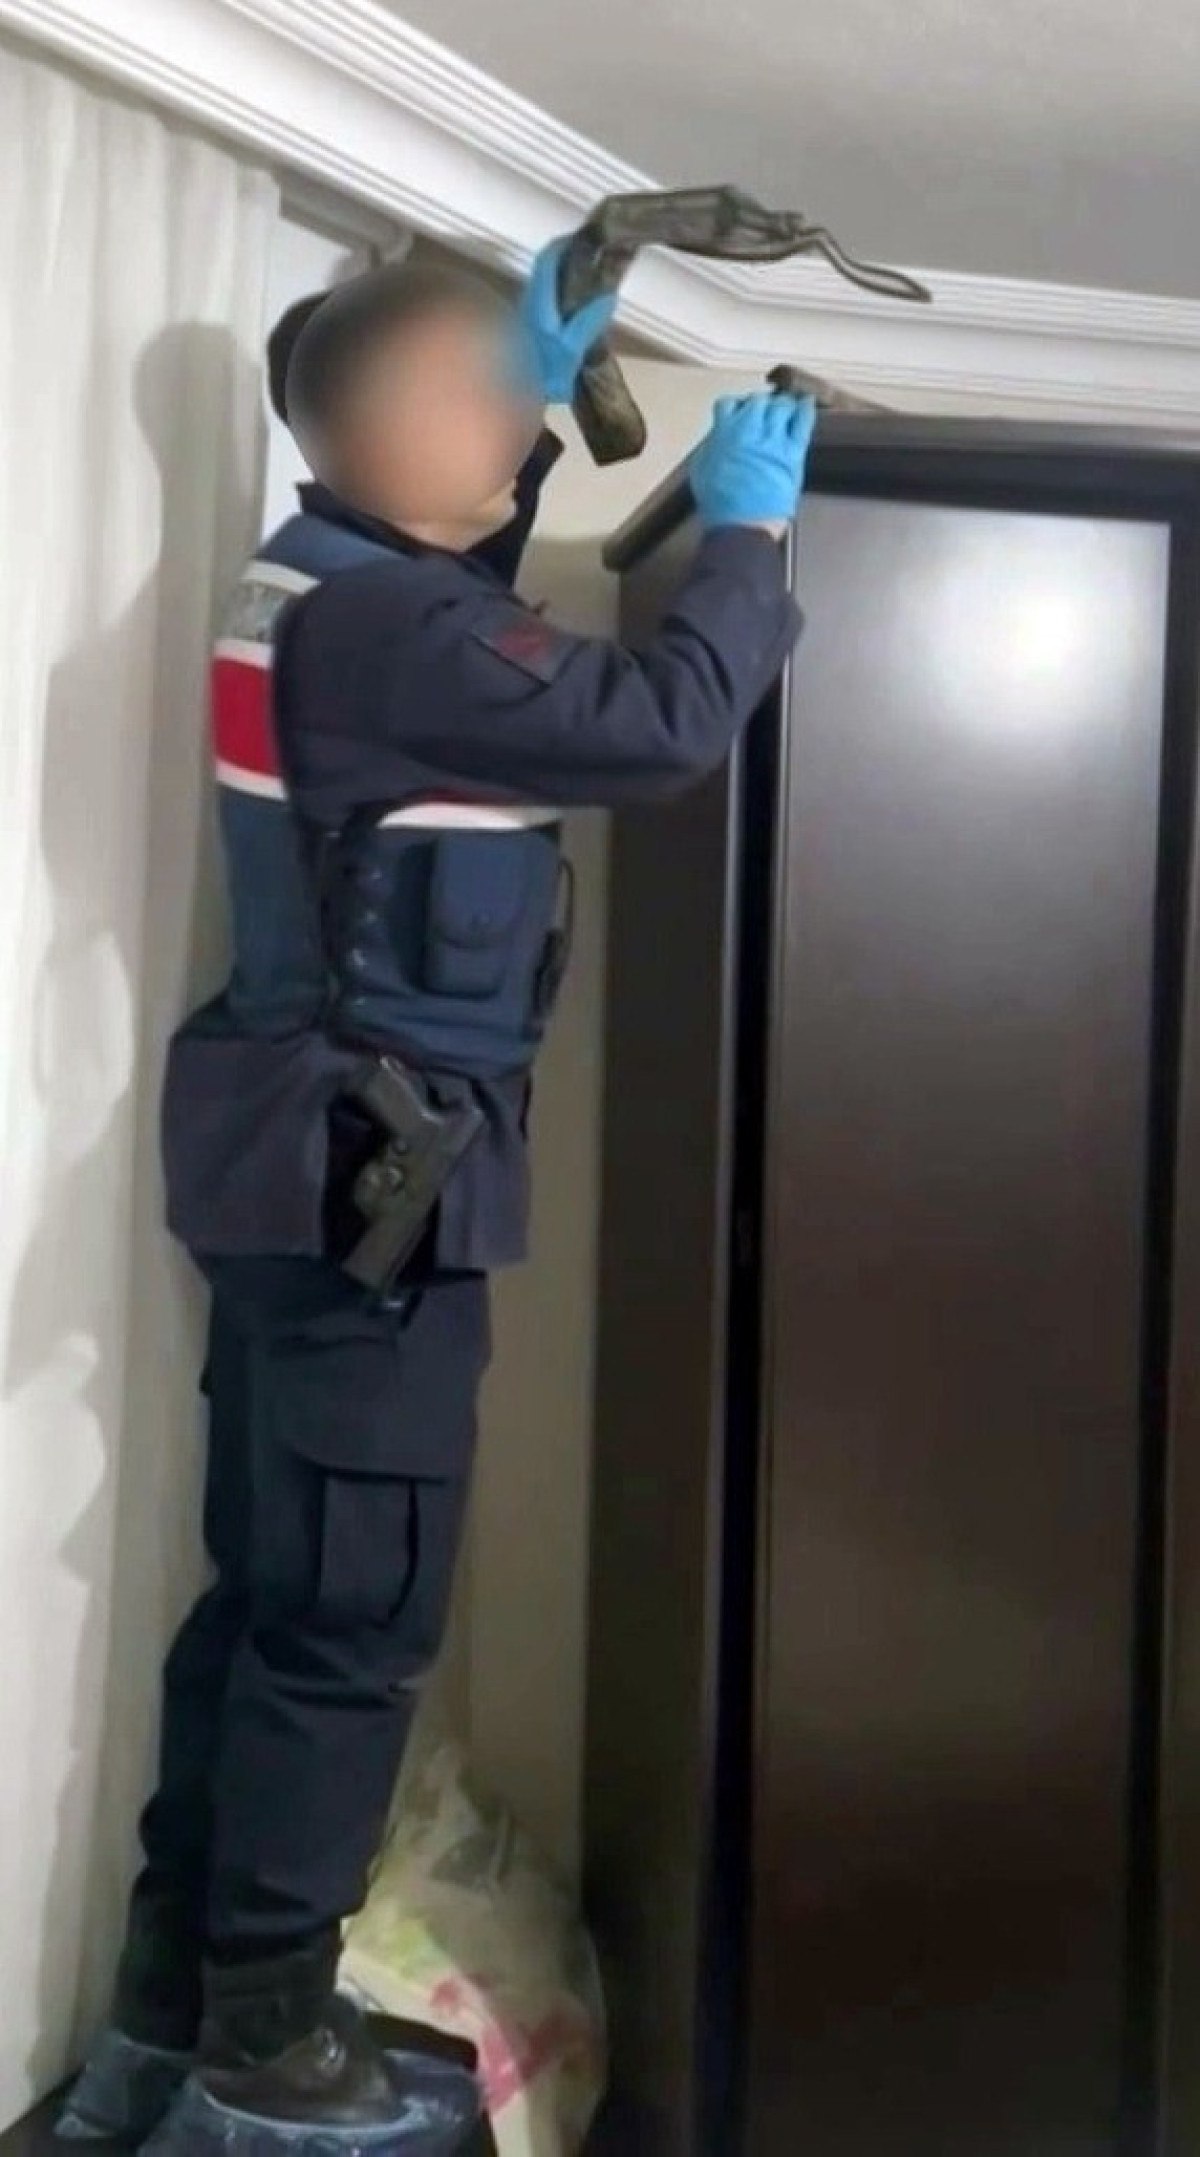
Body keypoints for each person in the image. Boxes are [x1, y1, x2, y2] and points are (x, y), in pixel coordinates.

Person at [59, 242, 815, 2157]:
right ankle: (262, 2031)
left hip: (302, 1163)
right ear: (397, 424)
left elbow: (468, 627)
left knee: (275, 1601)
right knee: (351, 1618)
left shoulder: (328, 584)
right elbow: (655, 725)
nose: (513, 424)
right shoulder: (386, 623)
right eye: (493, 395)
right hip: (367, 1190)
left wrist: (536, 422)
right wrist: (745, 540)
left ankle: (177, 2008)